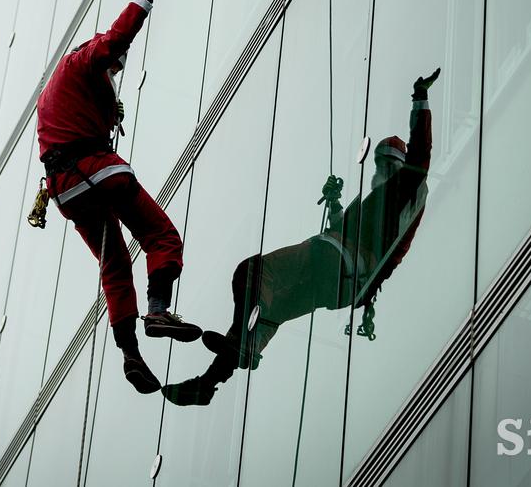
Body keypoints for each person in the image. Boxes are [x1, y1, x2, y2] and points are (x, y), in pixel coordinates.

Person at [162, 69, 440, 405]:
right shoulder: (378, 202)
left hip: (336, 261)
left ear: (397, 164)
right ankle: (207, 383)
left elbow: (421, 157)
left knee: (252, 272)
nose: (379, 171)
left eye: (385, 164)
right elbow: (348, 231)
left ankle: (239, 344)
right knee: (269, 313)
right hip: (341, 278)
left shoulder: (403, 189)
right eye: (379, 164)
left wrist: (420, 99)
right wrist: (337, 203)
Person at [36, 0, 201, 394]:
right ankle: (159, 309)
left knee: (114, 264)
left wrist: (107, 111)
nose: (116, 70)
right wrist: (143, 0)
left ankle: (129, 353)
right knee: (159, 233)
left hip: (66, 191)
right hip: (96, 172)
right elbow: (112, 41)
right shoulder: (82, 60)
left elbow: (67, 123)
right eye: (116, 67)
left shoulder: (59, 91)